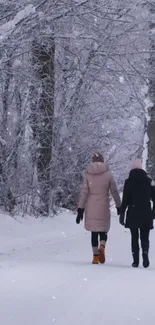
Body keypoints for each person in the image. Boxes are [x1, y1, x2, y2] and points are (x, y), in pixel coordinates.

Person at [76, 152, 121, 264]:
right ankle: (102, 245)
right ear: (102, 161)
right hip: (103, 206)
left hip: (91, 206)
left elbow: (83, 193)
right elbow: (114, 191)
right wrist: (119, 205)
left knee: (94, 232)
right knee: (103, 230)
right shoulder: (108, 175)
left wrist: (80, 209)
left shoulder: (88, 174)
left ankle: (95, 257)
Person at [119, 159, 155, 268]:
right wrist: (153, 214)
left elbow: (125, 200)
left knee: (134, 237)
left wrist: (122, 214)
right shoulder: (149, 181)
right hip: (146, 212)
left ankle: (135, 260)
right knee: (145, 237)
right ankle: (145, 255)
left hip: (133, 212)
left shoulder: (129, 181)